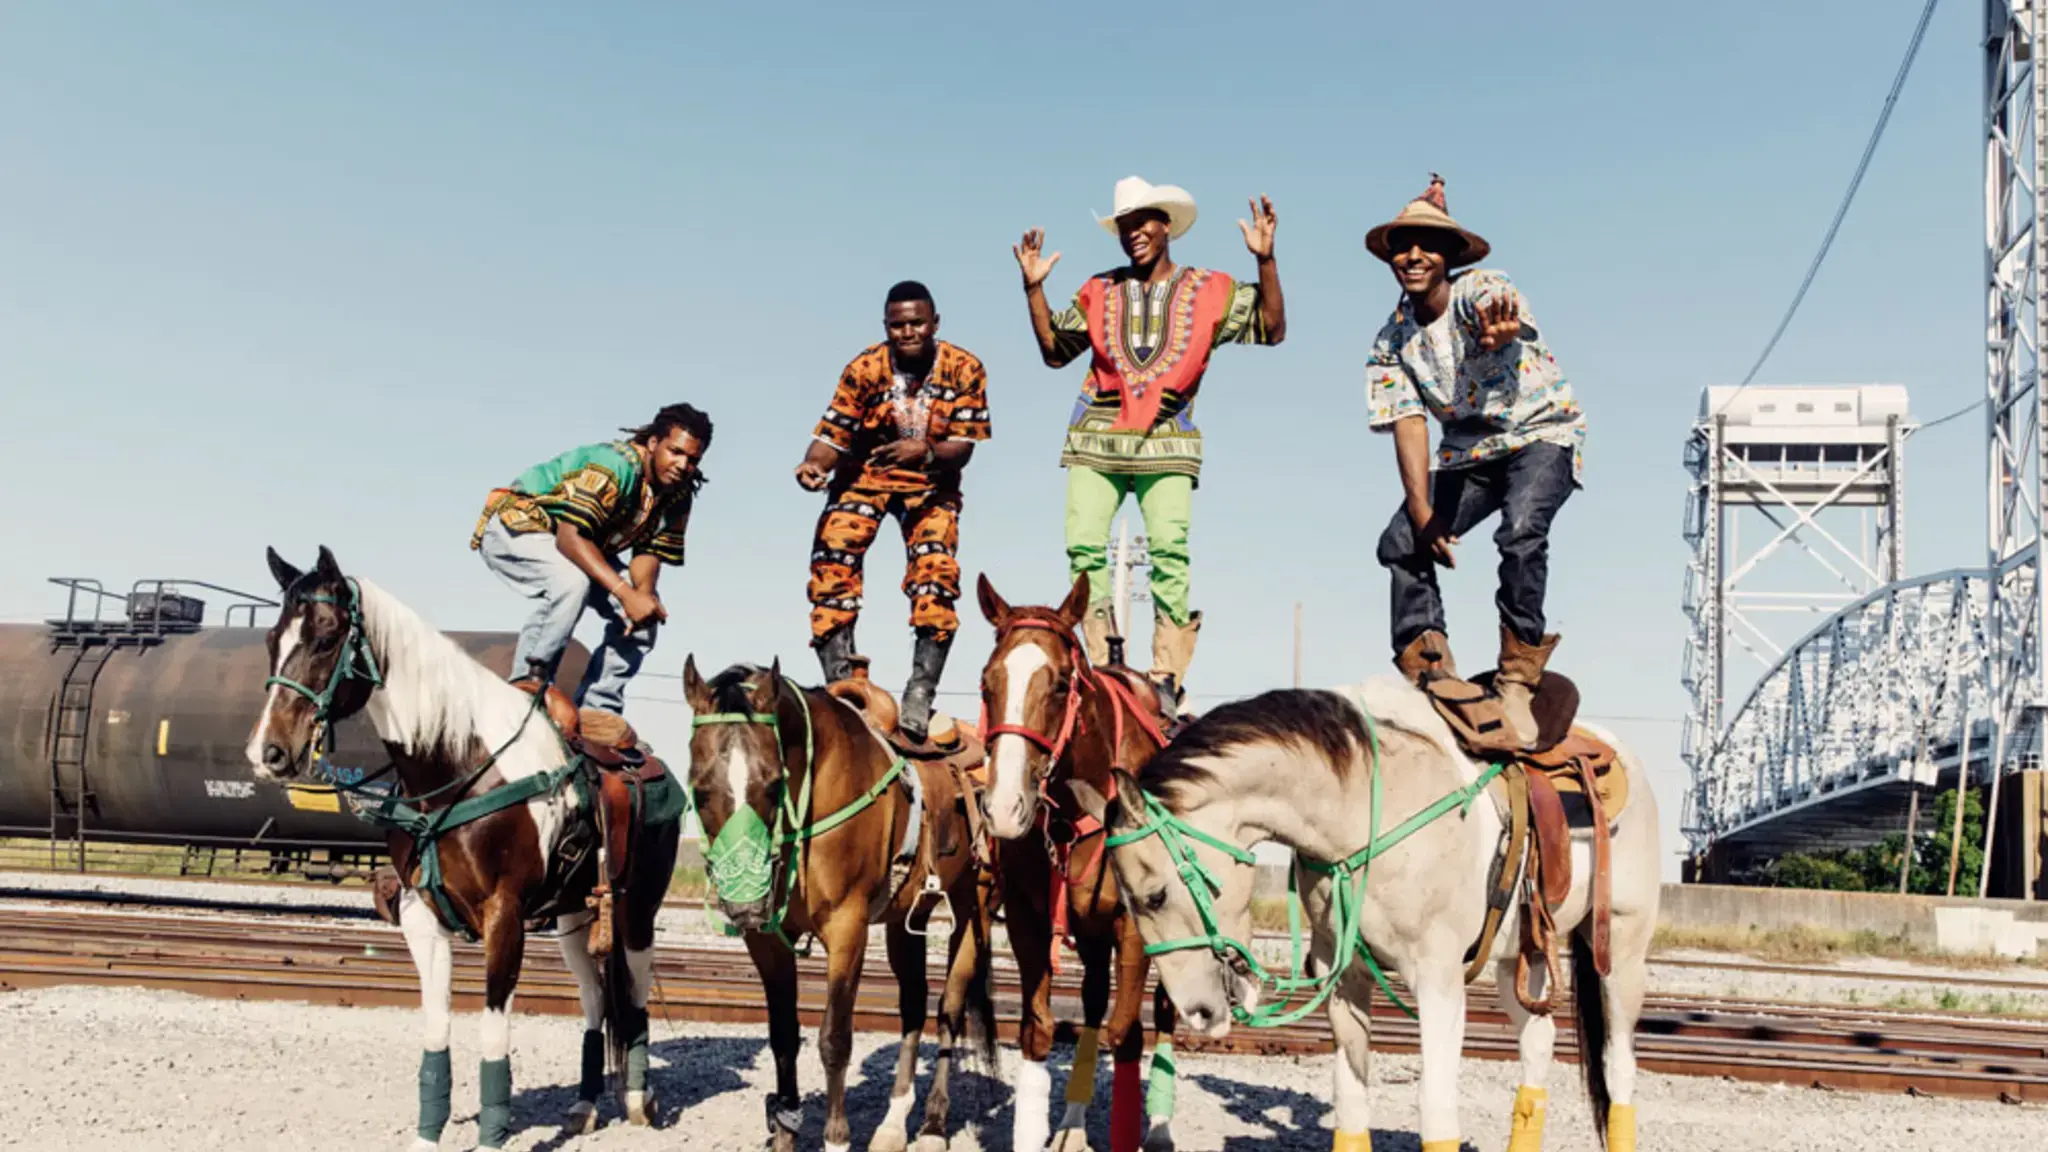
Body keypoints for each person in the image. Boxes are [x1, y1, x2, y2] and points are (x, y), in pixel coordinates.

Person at [1013, 175, 1286, 703]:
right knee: (1084, 549)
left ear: (1167, 227)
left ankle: (1165, 677)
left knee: (1169, 551)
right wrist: (1033, 289)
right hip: (1097, 436)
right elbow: (1054, 350)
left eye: (1144, 222)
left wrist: (1266, 261)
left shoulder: (1208, 289)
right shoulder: (1099, 290)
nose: (1134, 233)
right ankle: (1101, 661)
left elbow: (1272, 328)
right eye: (1125, 226)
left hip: (1168, 438)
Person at [1363, 175, 1585, 750]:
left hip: (1538, 436)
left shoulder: (1478, 290)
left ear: (1448, 257)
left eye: (1426, 246)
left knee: (1520, 529)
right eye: (1402, 246)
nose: (1413, 256)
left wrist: (1498, 330)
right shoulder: (1391, 342)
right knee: (1401, 540)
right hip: (1470, 455)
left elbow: (1497, 303)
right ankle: (1429, 664)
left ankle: (1517, 675)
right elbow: (1409, 421)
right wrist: (1420, 508)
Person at [795, 280, 991, 744]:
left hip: (930, 484)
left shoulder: (965, 369)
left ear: (934, 323)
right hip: (863, 475)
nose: (907, 332)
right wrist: (813, 465)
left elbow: (962, 448)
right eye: (897, 325)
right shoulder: (864, 368)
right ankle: (842, 686)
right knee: (833, 561)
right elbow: (833, 433)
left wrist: (921, 452)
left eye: (917, 323)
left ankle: (920, 692)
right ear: (886, 327)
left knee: (935, 575)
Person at [469, 403, 712, 717]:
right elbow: (569, 537)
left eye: (692, 459)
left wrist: (642, 595)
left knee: (642, 620)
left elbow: (650, 553)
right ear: (653, 444)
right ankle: (530, 684)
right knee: (571, 583)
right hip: (520, 524)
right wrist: (624, 593)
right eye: (675, 452)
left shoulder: (678, 494)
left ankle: (598, 711)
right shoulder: (614, 466)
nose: (682, 464)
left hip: (579, 545)